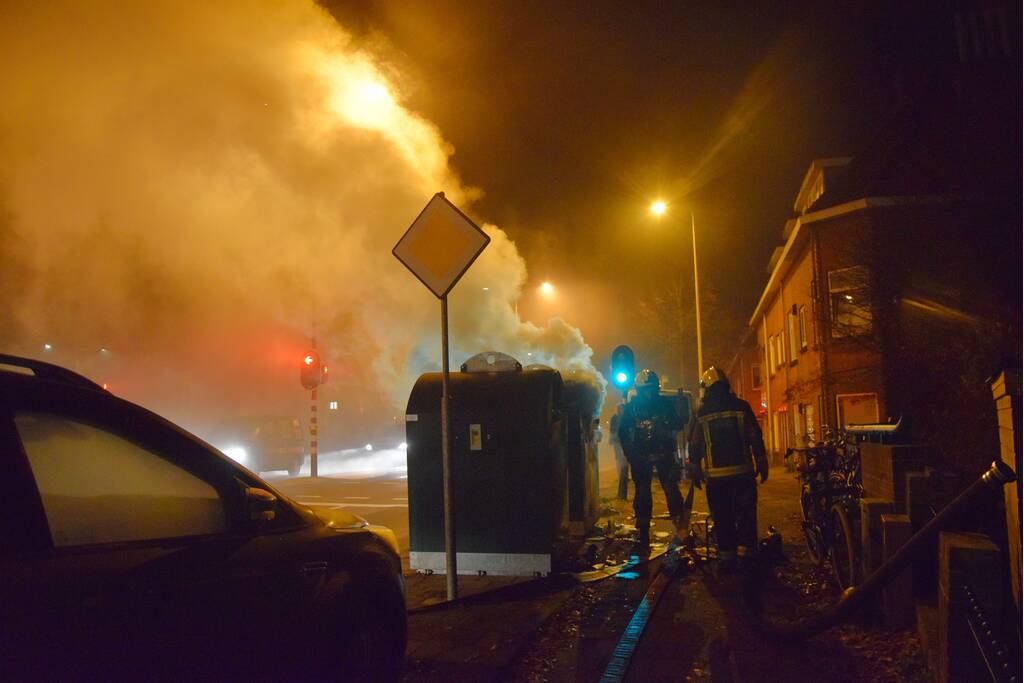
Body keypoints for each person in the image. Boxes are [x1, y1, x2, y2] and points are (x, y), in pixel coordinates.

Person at [688, 366, 768, 570]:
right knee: (746, 516)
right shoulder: (741, 407)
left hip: (716, 477)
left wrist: (695, 468)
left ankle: (727, 559)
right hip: (743, 473)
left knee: (722, 517)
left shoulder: (702, 412)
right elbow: (754, 436)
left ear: (707, 388)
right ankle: (747, 557)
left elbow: (695, 443)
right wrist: (762, 461)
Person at [617, 369, 686, 549]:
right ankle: (643, 528)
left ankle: (681, 526)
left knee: (671, 489)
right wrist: (630, 454)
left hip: (664, 454)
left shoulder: (665, 404)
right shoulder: (632, 408)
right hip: (640, 456)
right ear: (639, 390)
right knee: (642, 492)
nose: (649, 393)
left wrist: (668, 427)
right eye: (645, 390)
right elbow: (623, 432)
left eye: (652, 389)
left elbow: (678, 423)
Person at [609, 403, 629, 500]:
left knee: (623, 460)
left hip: (623, 442)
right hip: (618, 442)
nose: (622, 410)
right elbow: (612, 430)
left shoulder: (625, 418)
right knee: (620, 459)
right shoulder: (615, 418)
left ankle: (623, 474)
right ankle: (621, 474)